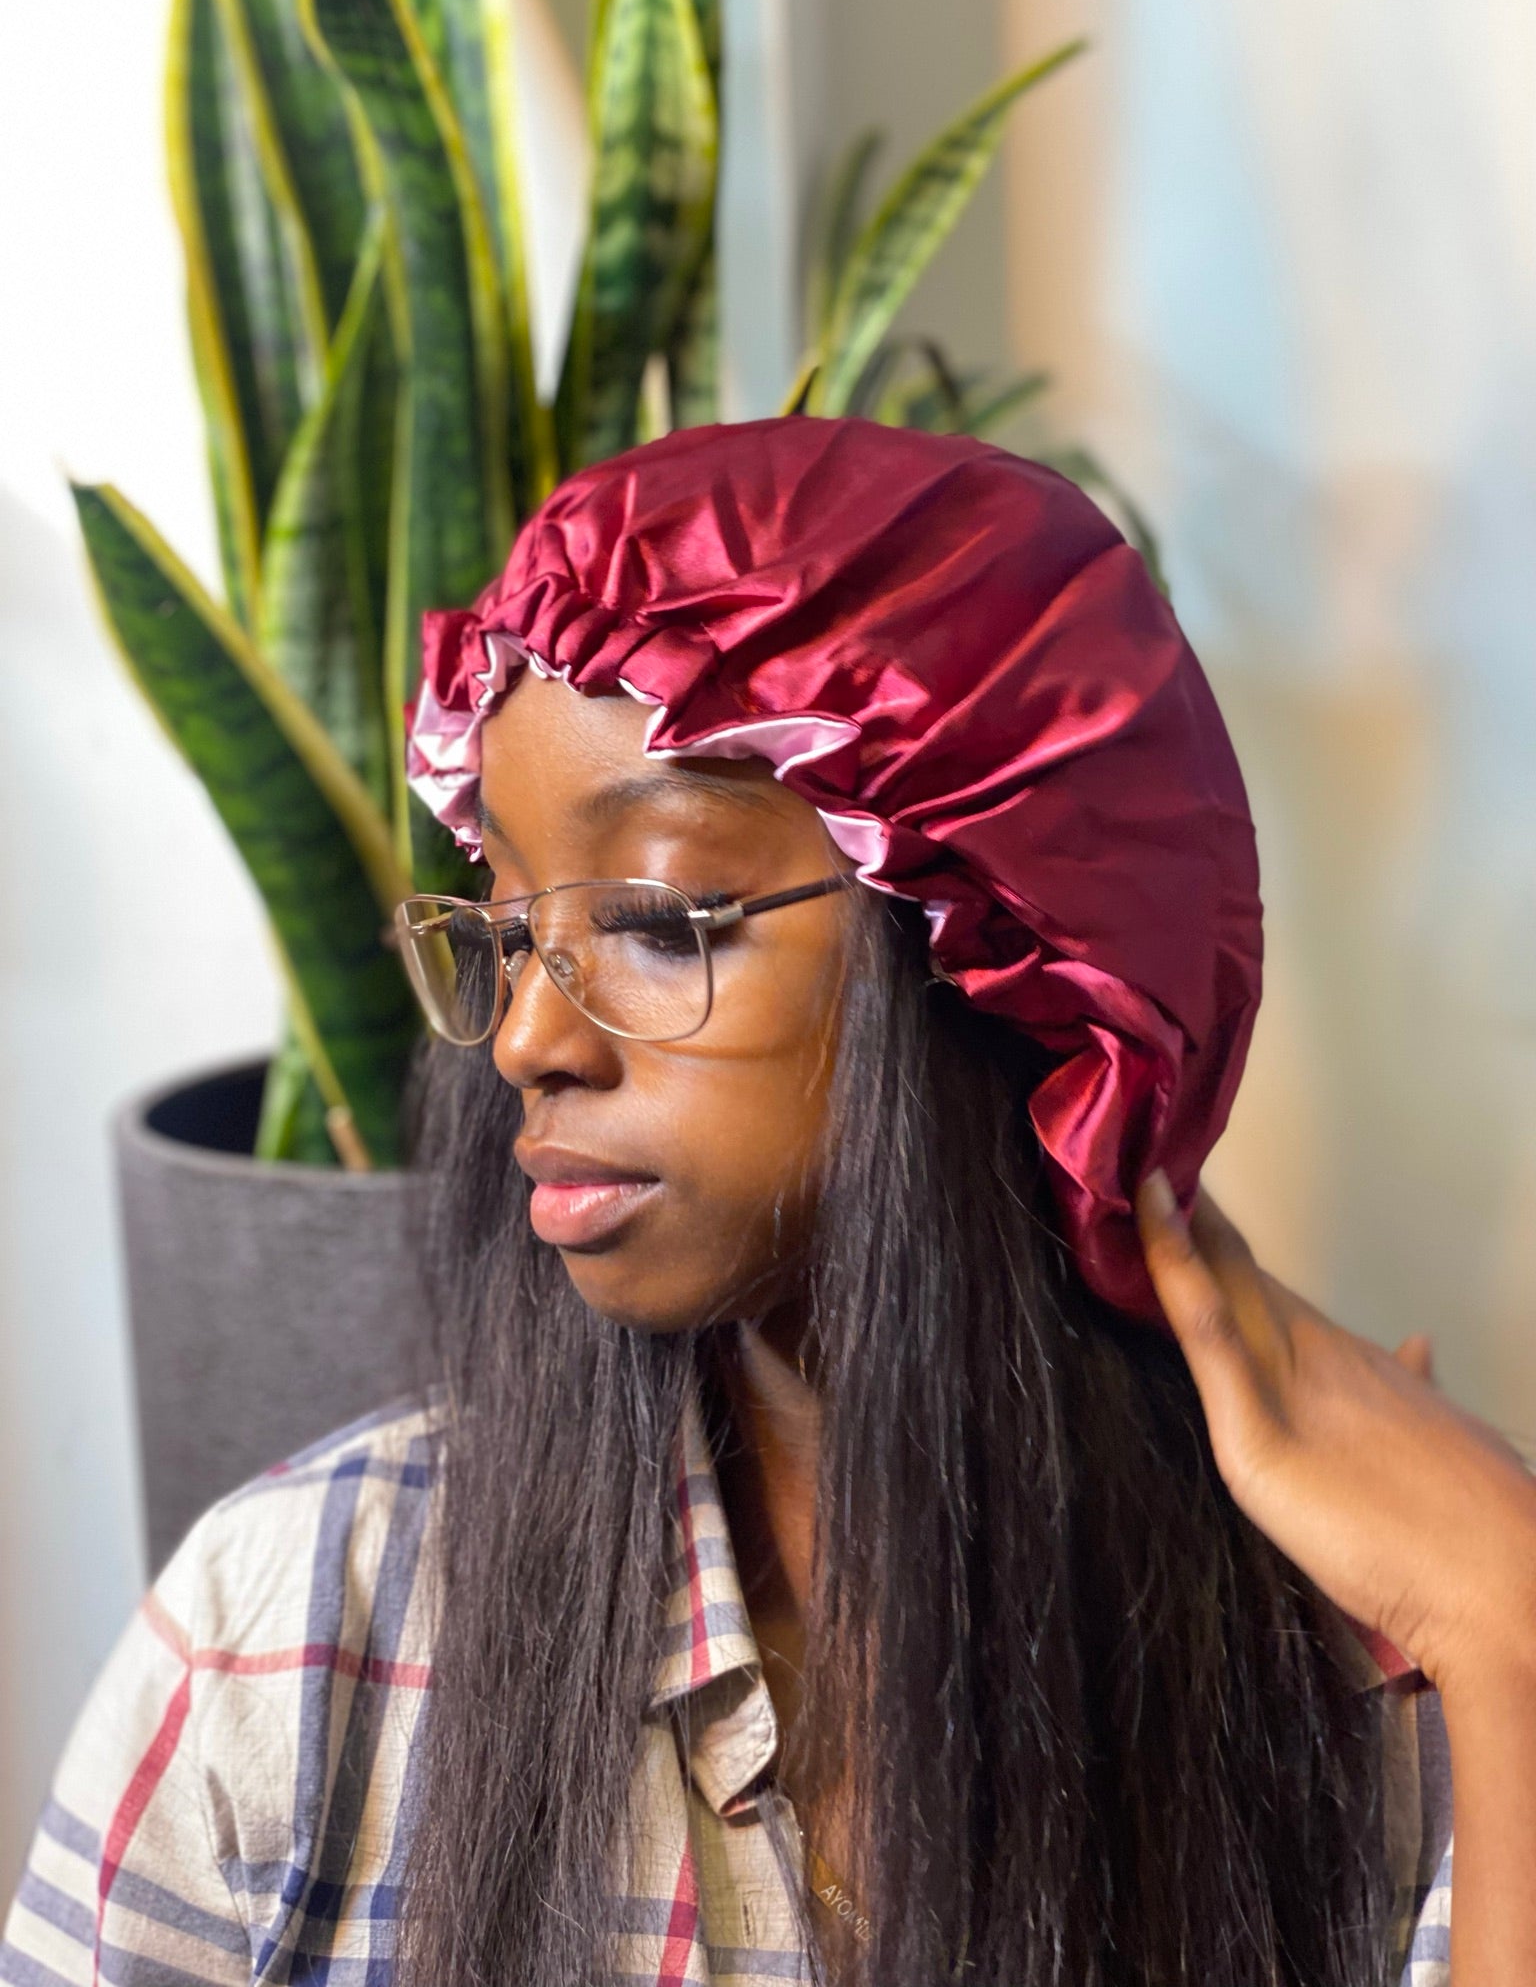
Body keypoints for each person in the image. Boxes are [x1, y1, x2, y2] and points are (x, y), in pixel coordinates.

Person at [4, 417, 1534, 1987]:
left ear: (1011, 970)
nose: (529, 1038)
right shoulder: (293, 1642)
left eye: (663, 922)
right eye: (510, 928)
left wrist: (1511, 1625)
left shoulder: (1380, 1681)